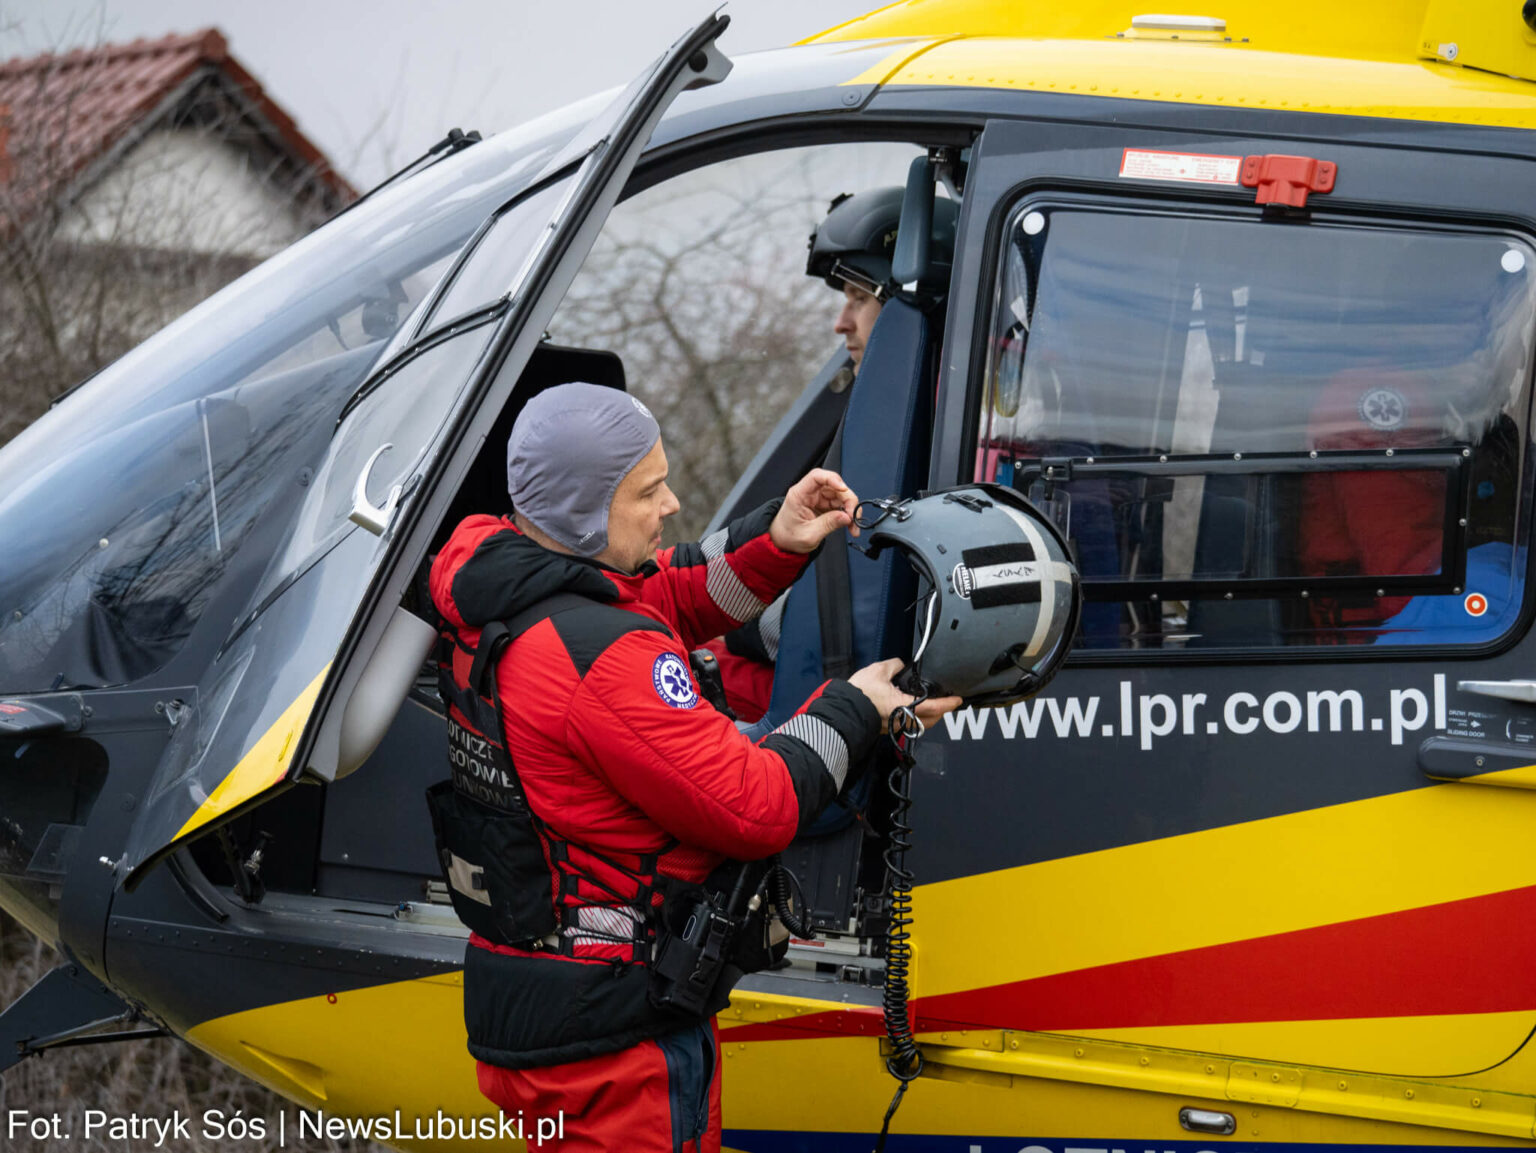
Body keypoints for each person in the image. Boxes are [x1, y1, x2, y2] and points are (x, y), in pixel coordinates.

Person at [429, 382, 958, 1152]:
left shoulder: (508, 583)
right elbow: (756, 804)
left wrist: (778, 539)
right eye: (648, 490)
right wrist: (857, 707)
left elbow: (666, 593)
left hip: (552, 998)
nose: (671, 503)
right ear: (583, 510)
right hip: (614, 1046)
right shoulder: (597, 657)